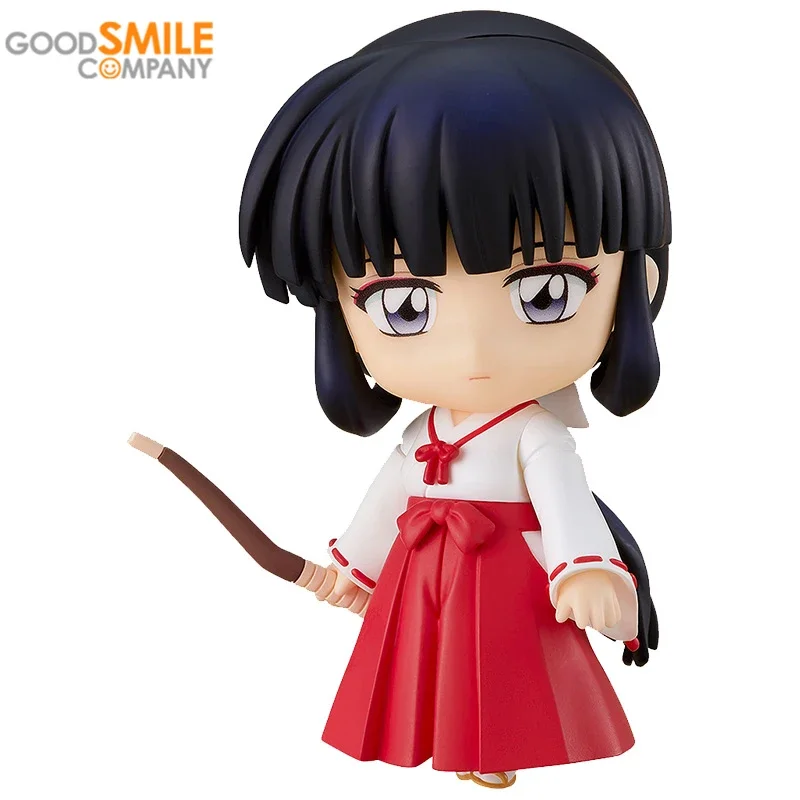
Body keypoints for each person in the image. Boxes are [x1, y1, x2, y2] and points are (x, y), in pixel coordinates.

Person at [239, 10, 666, 789]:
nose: (473, 353)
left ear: (637, 282)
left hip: (505, 572)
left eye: (545, 292)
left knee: (503, 669)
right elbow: (387, 498)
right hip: (422, 568)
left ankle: (491, 754)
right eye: (405, 306)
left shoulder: (536, 435)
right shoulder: (423, 432)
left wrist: (585, 567)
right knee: (424, 666)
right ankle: (442, 741)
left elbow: (566, 505)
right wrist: (355, 566)